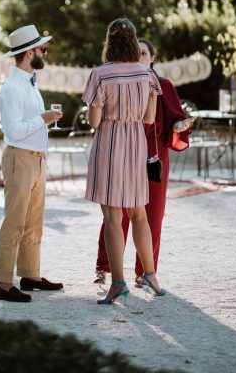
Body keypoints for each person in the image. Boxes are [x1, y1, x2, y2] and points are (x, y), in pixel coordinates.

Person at [93, 38, 194, 286]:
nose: (139, 57)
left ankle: (144, 273)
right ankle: (104, 267)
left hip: (154, 156)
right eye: (135, 53)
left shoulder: (164, 86)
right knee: (117, 213)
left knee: (153, 215)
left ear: (153, 58)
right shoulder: (119, 80)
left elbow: (174, 120)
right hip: (125, 152)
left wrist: (181, 125)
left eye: (144, 53)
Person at [83, 18, 165, 304]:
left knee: (112, 217)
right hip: (135, 145)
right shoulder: (147, 74)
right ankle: (150, 275)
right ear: (133, 43)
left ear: (109, 44)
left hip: (109, 144)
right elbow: (149, 118)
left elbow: (94, 122)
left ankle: (117, 283)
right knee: (139, 213)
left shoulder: (100, 74)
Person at [0, 24, 64, 303]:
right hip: (19, 158)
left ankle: (30, 275)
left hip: (35, 159)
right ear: (28, 53)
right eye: (42, 49)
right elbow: (14, 132)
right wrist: (45, 119)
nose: (45, 53)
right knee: (14, 223)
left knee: (34, 223)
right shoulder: (11, 88)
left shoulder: (30, 82)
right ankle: (2, 283)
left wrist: (43, 123)